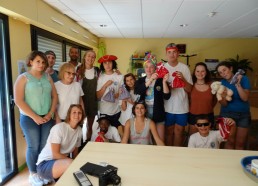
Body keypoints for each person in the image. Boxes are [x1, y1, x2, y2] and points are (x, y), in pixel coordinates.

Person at [14, 51, 58, 186]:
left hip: (47, 117)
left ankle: (42, 172)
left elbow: (54, 97)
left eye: (43, 62)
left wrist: (50, 113)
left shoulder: (48, 77)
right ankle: (33, 173)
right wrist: (35, 117)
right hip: (29, 119)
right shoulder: (23, 78)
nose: (41, 64)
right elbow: (18, 100)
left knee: (44, 146)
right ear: (31, 61)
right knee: (33, 146)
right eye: (38, 61)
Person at [36, 104, 85, 182]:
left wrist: (77, 162)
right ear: (69, 114)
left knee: (77, 167)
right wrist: (74, 162)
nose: (77, 115)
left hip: (61, 161)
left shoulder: (79, 130)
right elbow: (55, 154)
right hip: (44, 164)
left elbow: (75, 151)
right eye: (74, 112)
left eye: (80, 113)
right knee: (71, 164)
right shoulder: (59, 128)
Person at [216, 61, 251, 149]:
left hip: (243, 115)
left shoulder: (244, 79)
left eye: (224, 70)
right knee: (229, 141)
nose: (223, 73)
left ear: (231, 68)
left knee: (240, 143)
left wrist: (237, 84)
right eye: (220, 72)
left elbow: (245, 98)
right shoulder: (222, 83)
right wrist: (222, 97)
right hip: (227, 114)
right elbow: (224, 104)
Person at [134, 54, 170, 141]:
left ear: (155, 68)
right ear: (144, 68)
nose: (149, 69)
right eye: (146, 67)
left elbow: (167, 96)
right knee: (146, 140)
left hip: (158, 111)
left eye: (151, 67)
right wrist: (150, 80)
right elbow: (138, 91)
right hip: (144, 112)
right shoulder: (141, 80)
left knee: (160, 139)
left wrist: (164, 82)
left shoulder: (160, 80)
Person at [163, 43, 193, 146]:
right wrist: (168, 86)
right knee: (168, 132)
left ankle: (177, 156)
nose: (172, 54)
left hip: (182, 107)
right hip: (167, 107)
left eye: (174, 52)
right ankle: (168, 156)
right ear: (166, 54)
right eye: (169, 52)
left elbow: (189, 89)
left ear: (178, 53)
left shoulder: (184, 68)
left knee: (179, 132)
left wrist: (182, 79)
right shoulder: (163, 68)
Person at [188, 62, 217, 135]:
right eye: (198, 71)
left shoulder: (212, 85)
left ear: (206, 72)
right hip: (193, 116)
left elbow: (214, 101)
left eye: (202, 71)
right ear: (194, 72)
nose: (200, 73)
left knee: (207, 140)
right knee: (194, 138)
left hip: (208, 116)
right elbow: (188, 101)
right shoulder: (190, 86)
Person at [96, 55, 123, 128]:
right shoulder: (100, 78)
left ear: (113, 63)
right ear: (102, 65)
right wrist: (105, 85)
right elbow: (98, 96)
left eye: (109, 62)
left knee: (117, 132)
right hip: (103, 110)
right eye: (105, 63)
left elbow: (124, 91)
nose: (107, 65)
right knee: (104, 132)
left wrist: (118, 94)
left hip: (116, 110)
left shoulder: (119, 76)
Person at [78, 50, 100, 141]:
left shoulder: (97, 70)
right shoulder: (78, 70)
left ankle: (87, 142)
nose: (90, 58)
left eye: (93, 57)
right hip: (80, 101)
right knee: (79, 125)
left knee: (89, 126)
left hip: (92, 102)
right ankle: (78, 145)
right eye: (89, 56)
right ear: (84, 57)